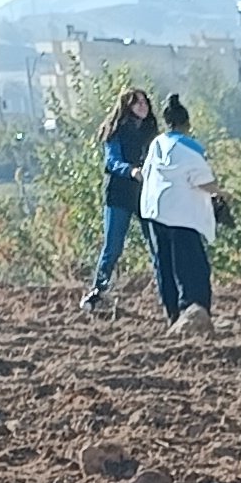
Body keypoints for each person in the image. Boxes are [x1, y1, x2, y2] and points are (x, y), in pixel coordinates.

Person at [139, 95, 220, 334]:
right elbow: (203, 181)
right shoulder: (189, 147)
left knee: (164, 264)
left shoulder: (156, 144)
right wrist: (221, 192)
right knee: (191, 265)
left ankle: (173, 313)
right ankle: (193, 311)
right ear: (187, 124)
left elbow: (146, 172)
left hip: (155, 210)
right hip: (182, 214)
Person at [81, 87, 157, 315]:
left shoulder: (151, 130)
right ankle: (98, 289)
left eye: (145, 102)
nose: (143, 106)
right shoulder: (116, 132)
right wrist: (132, 171)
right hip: (120, 194)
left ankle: (166, 288)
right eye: (137, 103)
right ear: (127, 107)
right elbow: (112, 162)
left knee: (155, 242)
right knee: (113, 246)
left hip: (145, 194)